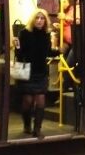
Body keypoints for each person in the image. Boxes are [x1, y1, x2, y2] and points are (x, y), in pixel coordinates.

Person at [14, 9, 60, 138]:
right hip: (27, 72)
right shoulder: (24, 33)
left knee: (40, 101)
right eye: (37, 18)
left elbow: (47, 52)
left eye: (42, 18)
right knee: (27, 101)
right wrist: (16, 47)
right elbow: (19, 53)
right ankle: (27, 124)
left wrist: (59, 51)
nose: (39, 20)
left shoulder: (46, 35)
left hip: (41, 72)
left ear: (45, 21)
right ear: (33, 19)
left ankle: (37, 129)